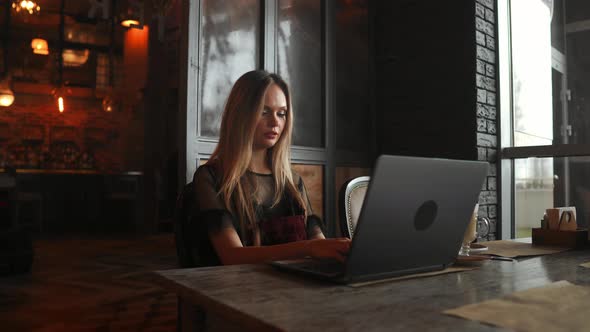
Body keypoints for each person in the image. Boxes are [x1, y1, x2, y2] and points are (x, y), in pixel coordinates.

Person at [192, 70, 350, 266]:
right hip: (240, 292)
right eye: (264, 112)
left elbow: (319, 243)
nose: (275, 122)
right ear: (241, 114)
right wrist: (308, 248)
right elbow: (232, 256)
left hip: (296, 289)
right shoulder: (211, 177)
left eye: (281, 113)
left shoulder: (293, 182)